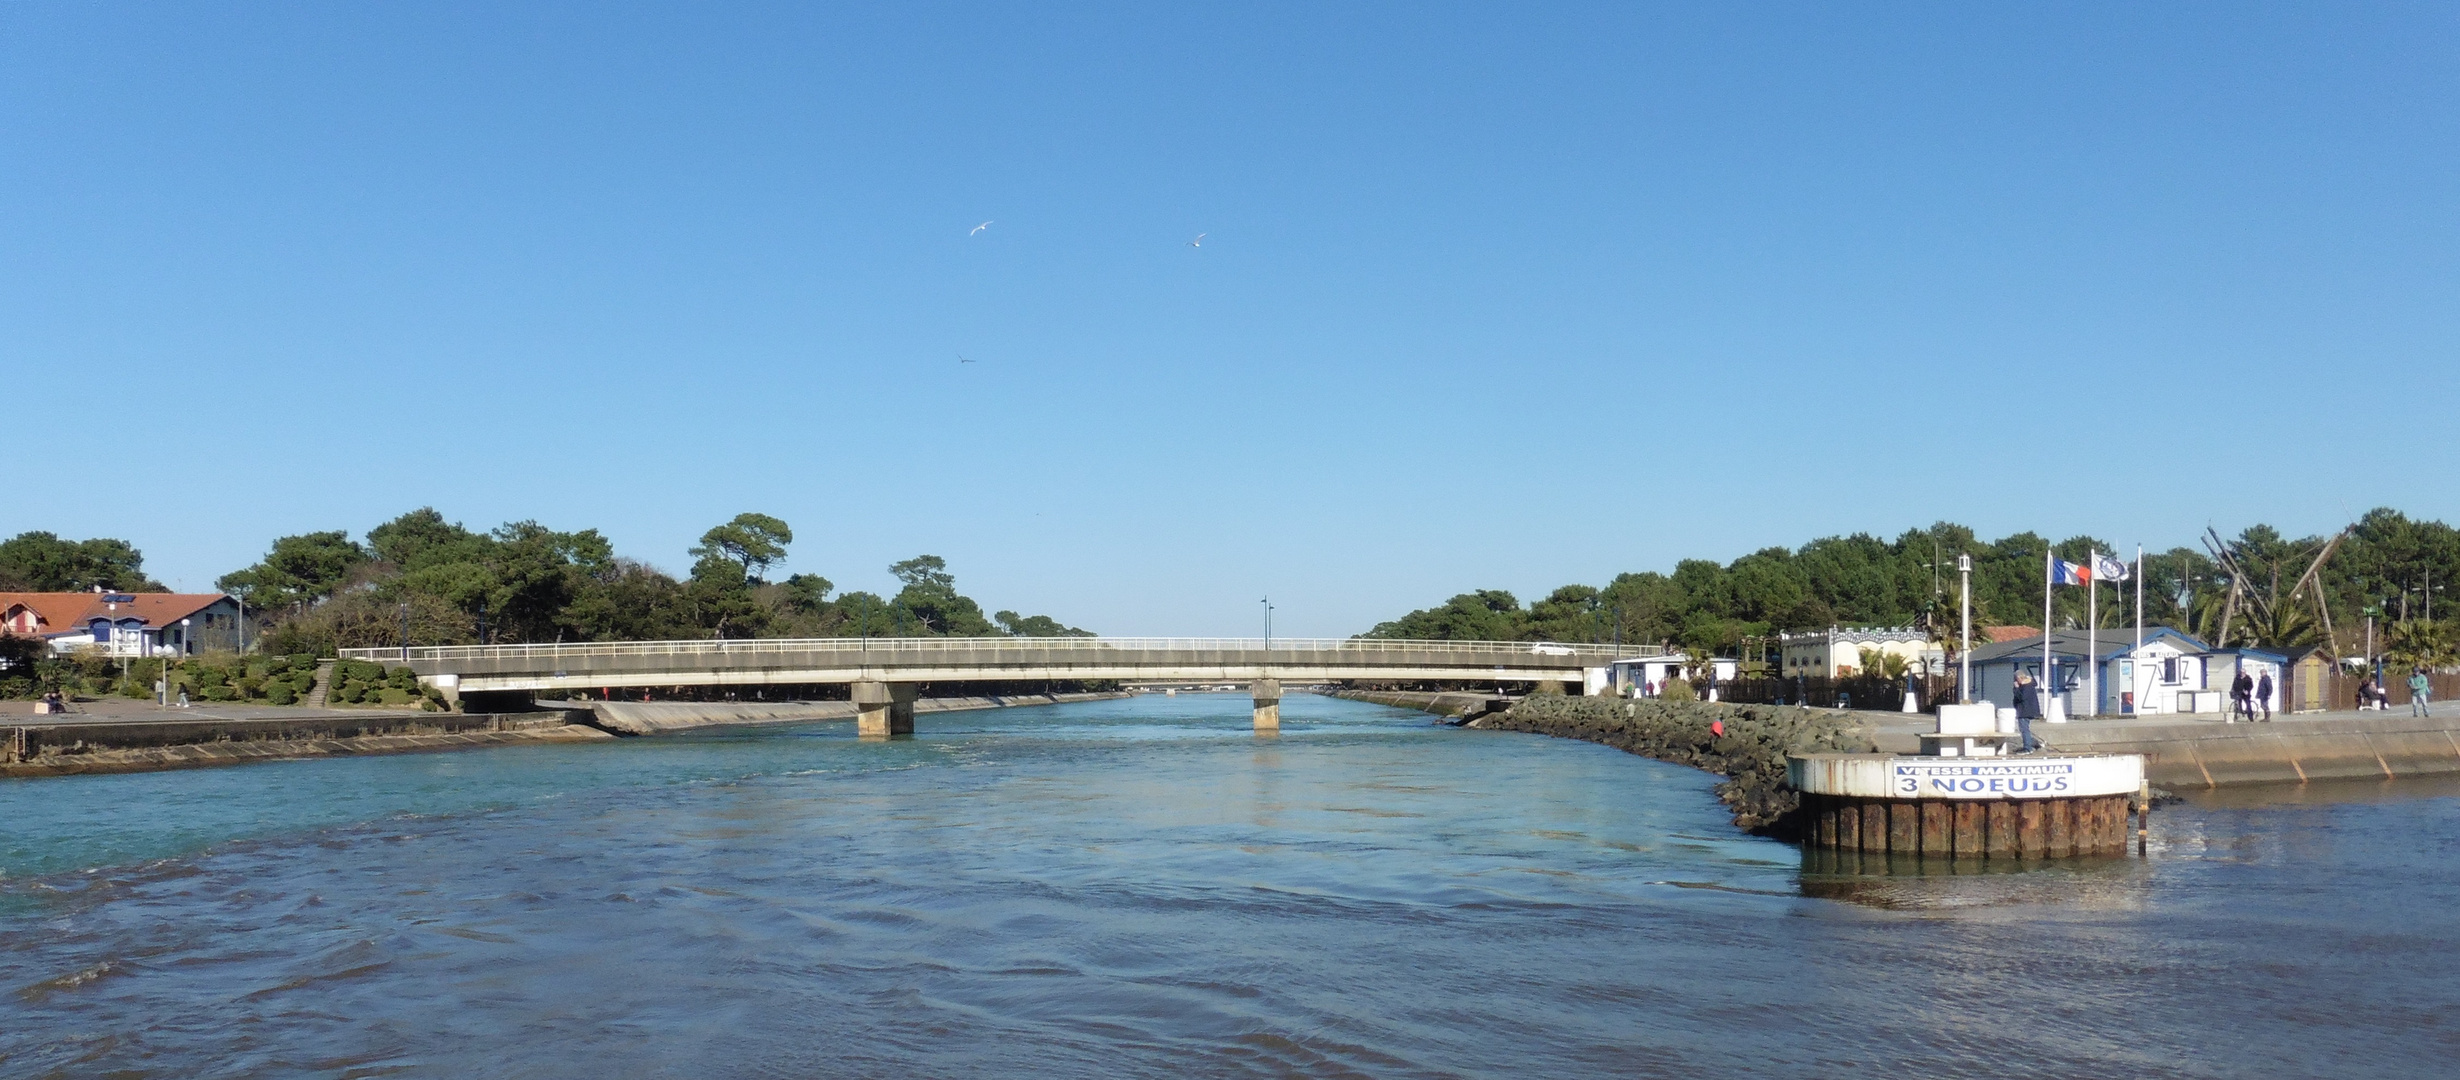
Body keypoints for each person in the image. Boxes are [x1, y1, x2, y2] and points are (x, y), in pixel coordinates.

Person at [2012, 671, 2042, 752]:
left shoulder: (2026, 686)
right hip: (2026, 710)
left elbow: (2021, 697)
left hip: (2025, 711)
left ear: (2019, 678)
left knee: (2024, 729)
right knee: (2025, 729)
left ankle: (2027, 748)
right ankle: (2035, 743)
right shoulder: (2029, 684)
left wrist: (2016, 688)